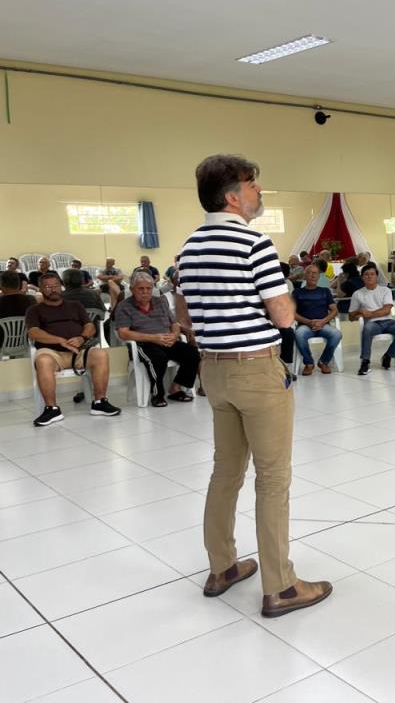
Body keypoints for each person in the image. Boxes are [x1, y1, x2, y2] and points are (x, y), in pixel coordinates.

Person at [179, 154, 332, 619]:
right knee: (273, 478)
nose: (258, 191)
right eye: (252, 185)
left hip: (215, 371)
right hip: (256, 371)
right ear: (232, 196)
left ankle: (222, 567)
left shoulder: (189, 248)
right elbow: (284, 316)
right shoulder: (253, 242)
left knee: (225, 471)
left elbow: (186, 317)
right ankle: (281, 587)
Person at [25, 273, 121, 426]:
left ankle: (99, 403)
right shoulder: (34, 310)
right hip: (52, 353)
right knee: (42, 360)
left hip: (79, 351)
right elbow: (34, 332)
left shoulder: (75, 305)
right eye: (48, 287)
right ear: (41, 289)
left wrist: (81, 338)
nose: (53, 289)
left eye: (56, 286)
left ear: (61, 287)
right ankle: (52, 409)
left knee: (100, 354)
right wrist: (60, 341)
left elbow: (89, 326)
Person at [114, 271, 200, 406]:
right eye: (140, 289)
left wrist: (174, 335)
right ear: (132, 289)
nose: (145, 292)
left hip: (166, 340)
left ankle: (175, 388)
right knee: (158, 358)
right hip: (143, 344)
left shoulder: (160, 302)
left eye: (148, 288)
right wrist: (153, 338)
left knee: (192, 353)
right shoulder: (124, 306)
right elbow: (123, 333)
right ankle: (157, 394)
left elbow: (174, 324)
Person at [350, 264, 395, 375]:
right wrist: (360, 312)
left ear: (377, 276)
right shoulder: (357, 294)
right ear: (362, 277)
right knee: (367, 329)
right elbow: (351, 316)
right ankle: (365, 362)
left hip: (389, 321)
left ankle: (389, 355)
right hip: (372, 324)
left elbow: (386, 310)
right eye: (366, 275)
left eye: (372, 274)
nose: (369, 277)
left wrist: (369, 313)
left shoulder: (385, 290)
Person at [292, 264, 341, 375]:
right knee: (299, 334)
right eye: (310, 273)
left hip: (323, 325)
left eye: (315, 273)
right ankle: (309, 363)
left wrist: (322, 321)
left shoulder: (325, 291)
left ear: (319, 276)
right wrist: (308, 322)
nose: (313, 276)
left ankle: (323, 361)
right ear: (305, 275)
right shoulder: (297, 293)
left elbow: (334, 310)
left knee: (336, 334)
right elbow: (292, 313)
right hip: (305, 325)